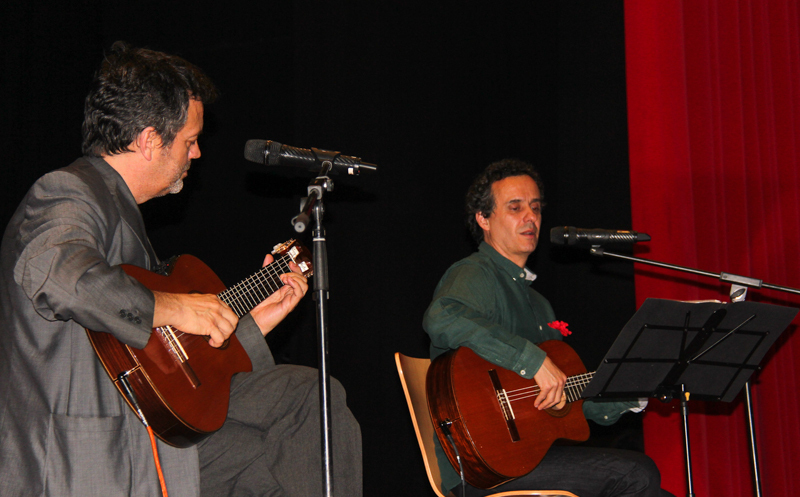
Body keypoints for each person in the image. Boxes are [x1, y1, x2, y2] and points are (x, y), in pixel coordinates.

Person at [0, 42, 362, 496]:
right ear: (150, 140)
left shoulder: (124, 216)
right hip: (82, 457)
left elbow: (164, 360)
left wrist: (250, 325)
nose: (197, 154)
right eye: (190, 141)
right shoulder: (68, 191)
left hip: (141, 439)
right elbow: (59, 274)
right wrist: (175, 307)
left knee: (306, 408)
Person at [422, 159, 672, 497]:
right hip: (481, 468)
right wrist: (533, 360)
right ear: (483, 219)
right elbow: (443, 317)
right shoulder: (475, 274)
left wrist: (632, 388)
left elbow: (572, 397)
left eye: (536, 208)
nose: (531, 217)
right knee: (638, 474)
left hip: (529, 457)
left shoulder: (539, 305)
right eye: (515, 207)